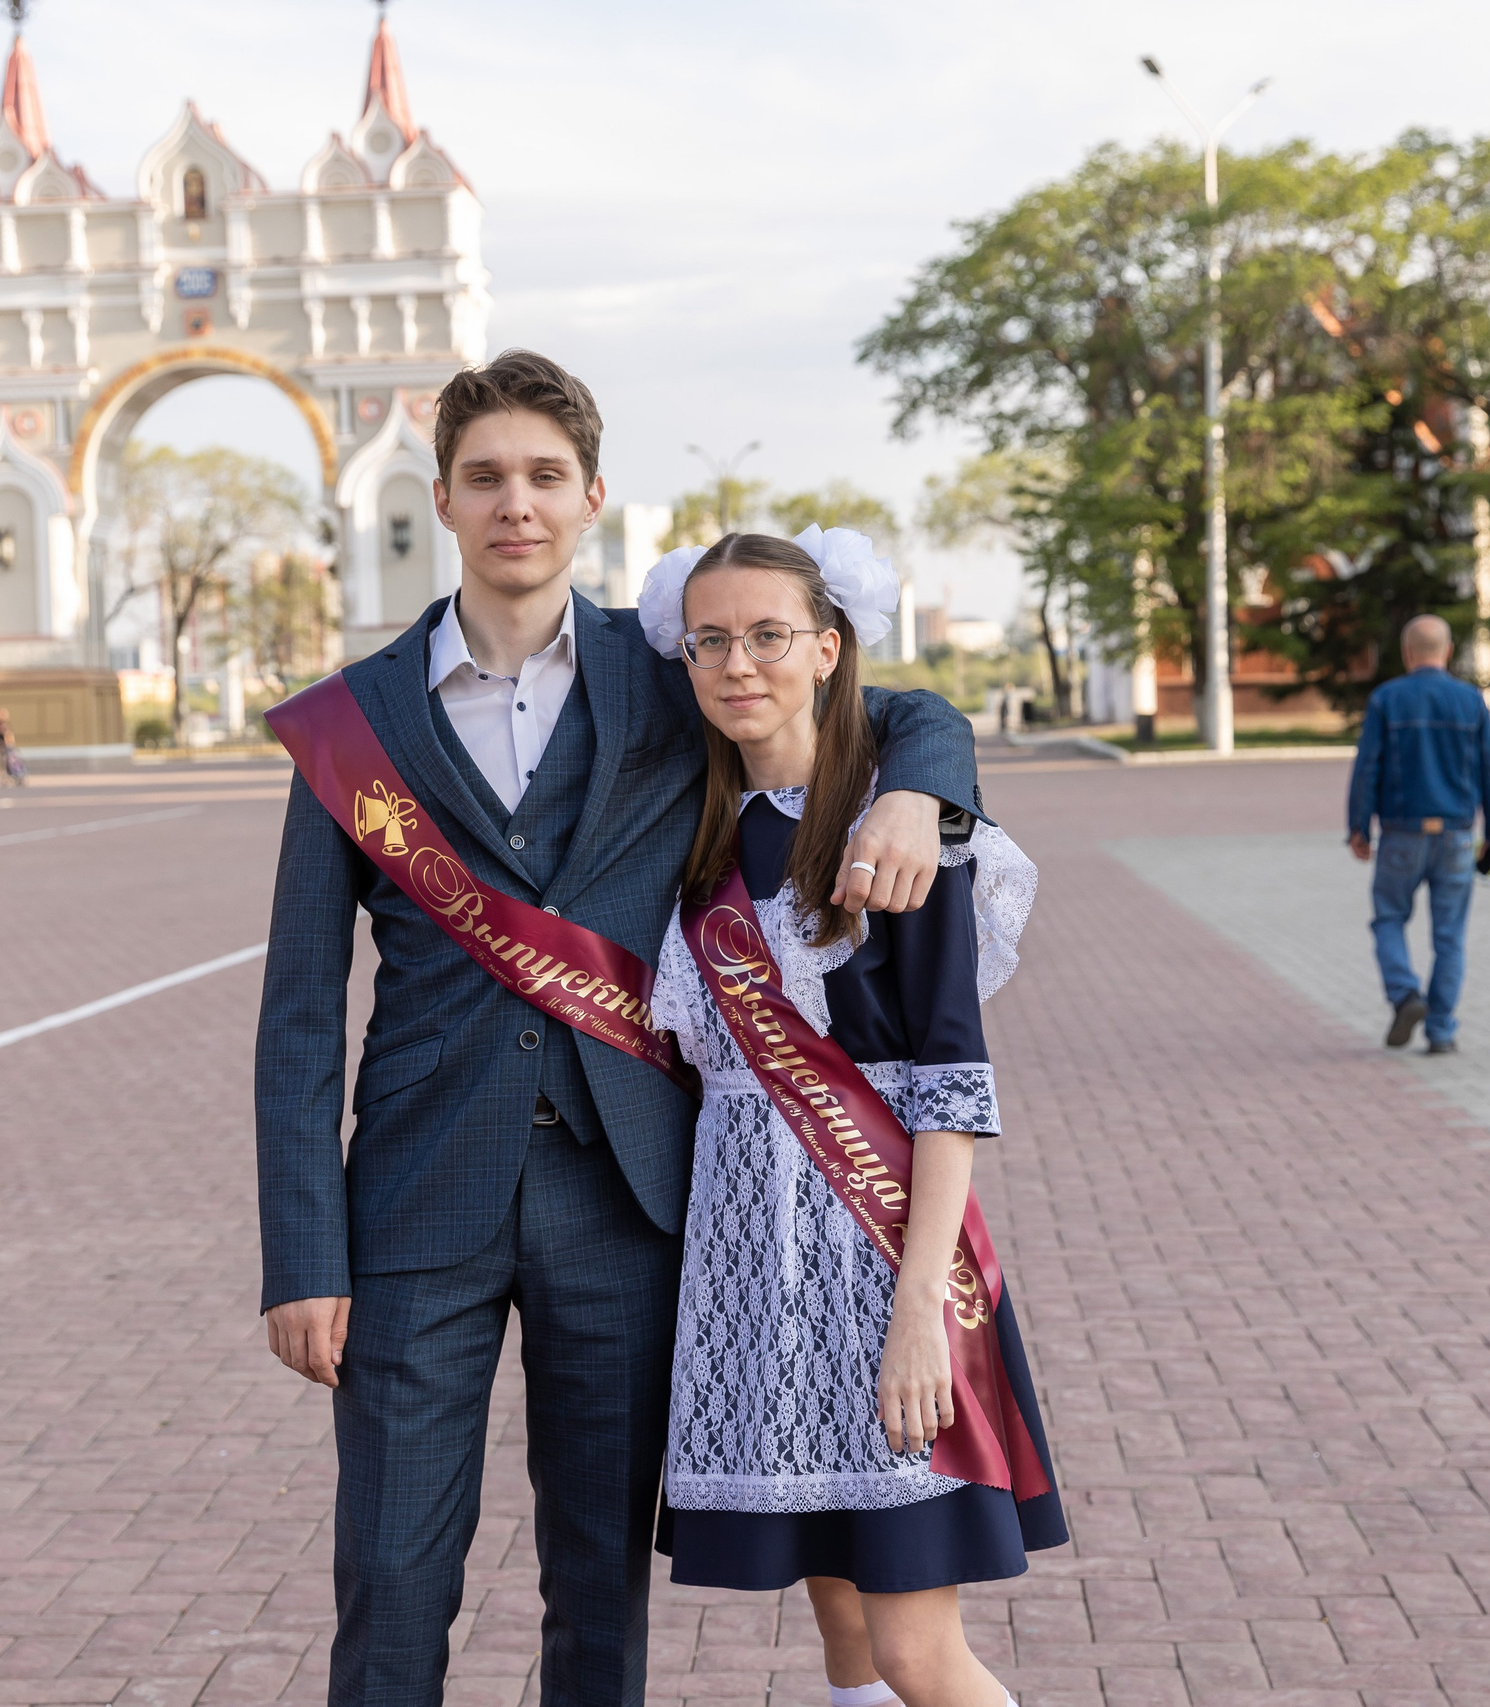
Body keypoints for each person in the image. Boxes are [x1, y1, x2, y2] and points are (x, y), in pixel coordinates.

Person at [253, 350, 980, 1706]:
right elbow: (297, 1013)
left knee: (599, 1587)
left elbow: (896, 709)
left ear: (591, 498)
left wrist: (914, 793)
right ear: (440, 498)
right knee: (391, 1578)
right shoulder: (352, 724)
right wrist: (302, 1253)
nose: (514, 504)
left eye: (544, 476)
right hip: (412, 1199)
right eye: (485, 478)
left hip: (630, 1197)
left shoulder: (667, 678)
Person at [641, 531, 1062, 1707]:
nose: (739, 663)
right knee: (841, 1632)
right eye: (710, 640)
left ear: (827, 650)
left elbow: (949, 1087)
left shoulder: (904, 830)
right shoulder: (694, 826)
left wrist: (919, 1313)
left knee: (916, 1651)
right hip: (749, 1265)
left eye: (768, 635)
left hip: (878, 1257)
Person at [1346, 614, 1490, 1056]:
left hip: (1401, 833)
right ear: (1448, 652)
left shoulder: (1387, 699)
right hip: (1456, 836)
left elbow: (1367, 767)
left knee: (1388, 918)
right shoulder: (1470, 701)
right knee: (1449, 936)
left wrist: (1358, 827)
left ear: (1406, 654)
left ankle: (1405, 994)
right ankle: (1441, 1032)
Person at [0, 708, 25, 786]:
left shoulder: (7, 725)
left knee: (12, 762)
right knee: (1, 763)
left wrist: (11, 744)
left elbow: (9, 735)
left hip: (8, 747)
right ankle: (3, 778)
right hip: (0, 747)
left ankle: (15, 776)